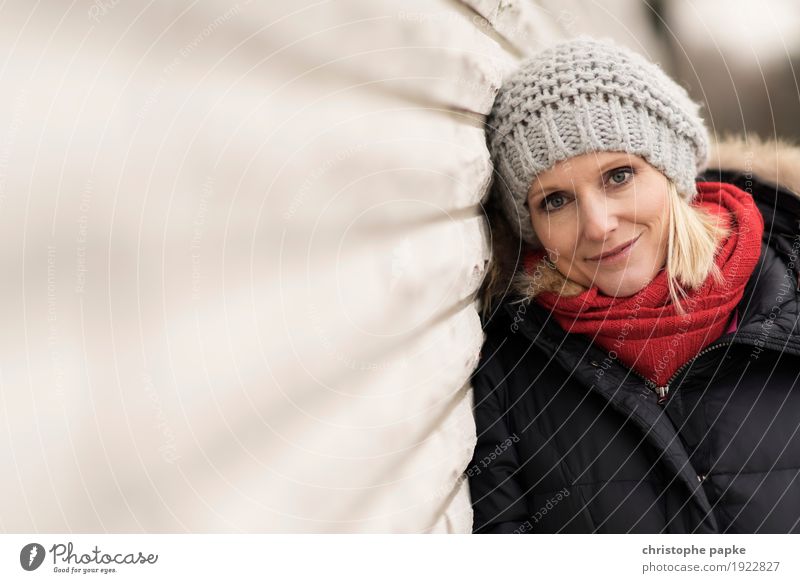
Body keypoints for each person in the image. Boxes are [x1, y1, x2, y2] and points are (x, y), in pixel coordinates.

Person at [468, 35, 800, 534]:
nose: (598, 224)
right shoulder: (511, 375)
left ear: (672, 173)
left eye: (619, 175)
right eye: (555, 201)